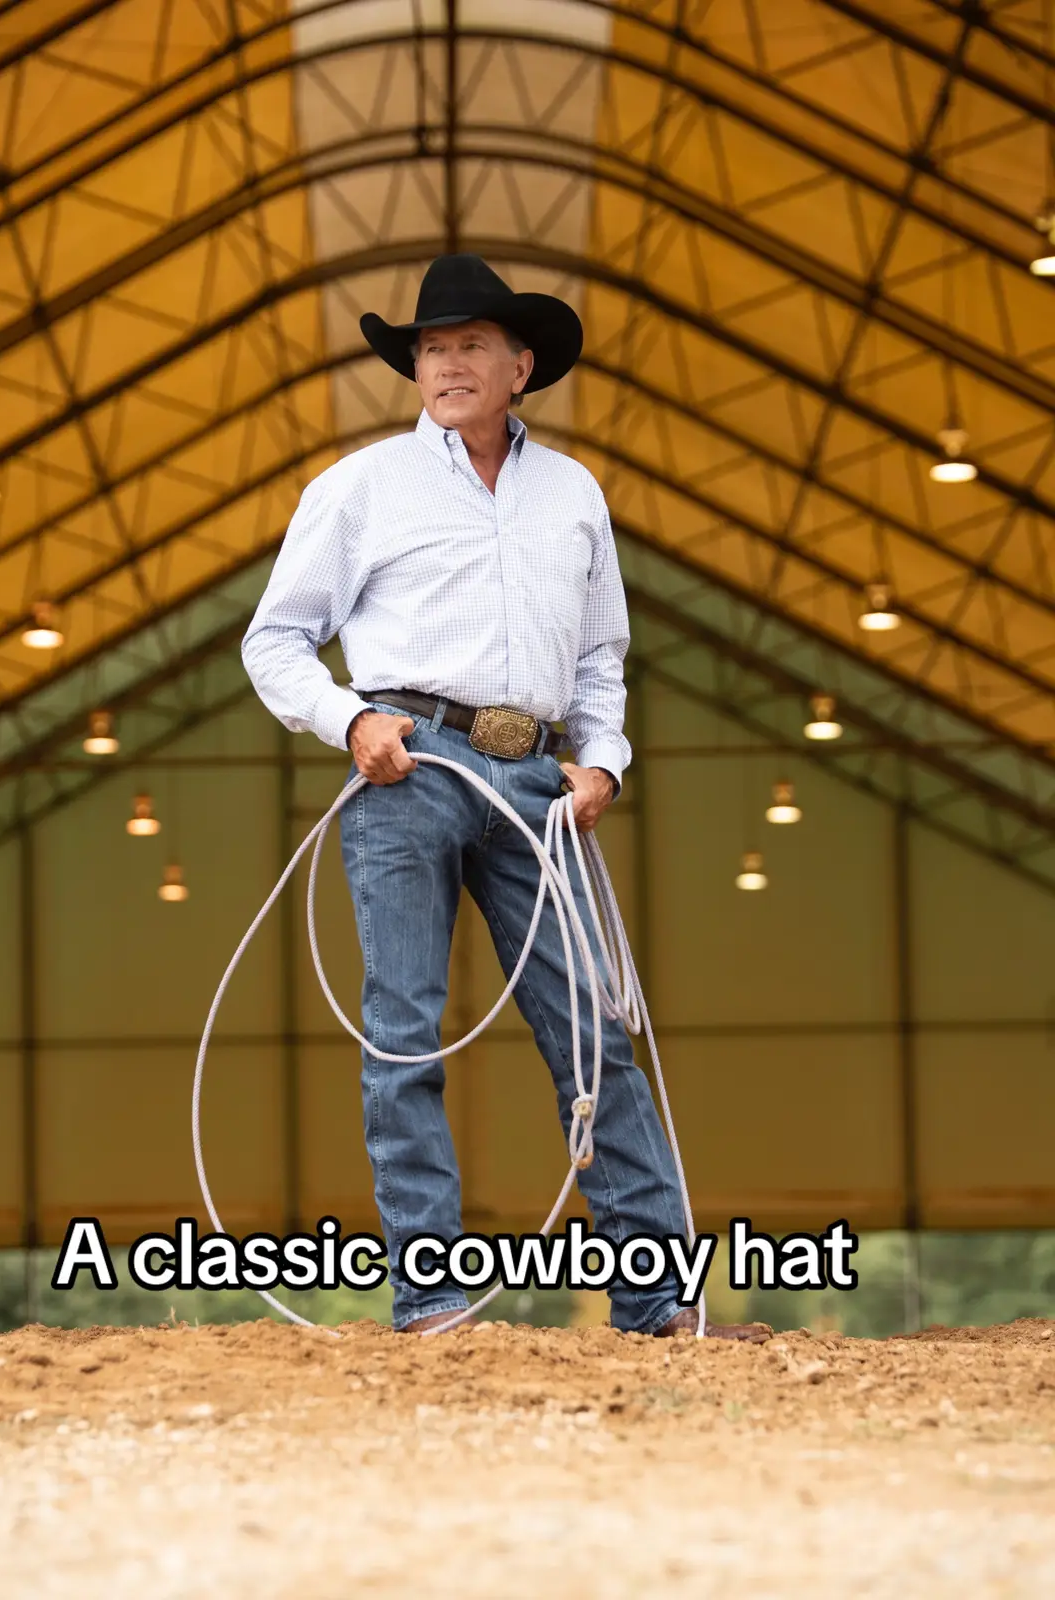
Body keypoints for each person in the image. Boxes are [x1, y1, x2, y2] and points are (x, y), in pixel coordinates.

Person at [242, 253, 769, 1342]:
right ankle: (434, 1298)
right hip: (408, 761)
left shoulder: (573, 494)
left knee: (596, 1034)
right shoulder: (359, 487)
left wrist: (604, 759)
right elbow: (276, 638)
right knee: (401, 1031)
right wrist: (351, 722)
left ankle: (658, 1297)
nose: (446, 364)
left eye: (471, 344)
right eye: (431, 349)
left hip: (538, 781)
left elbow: (603, 658)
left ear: (520, 364)